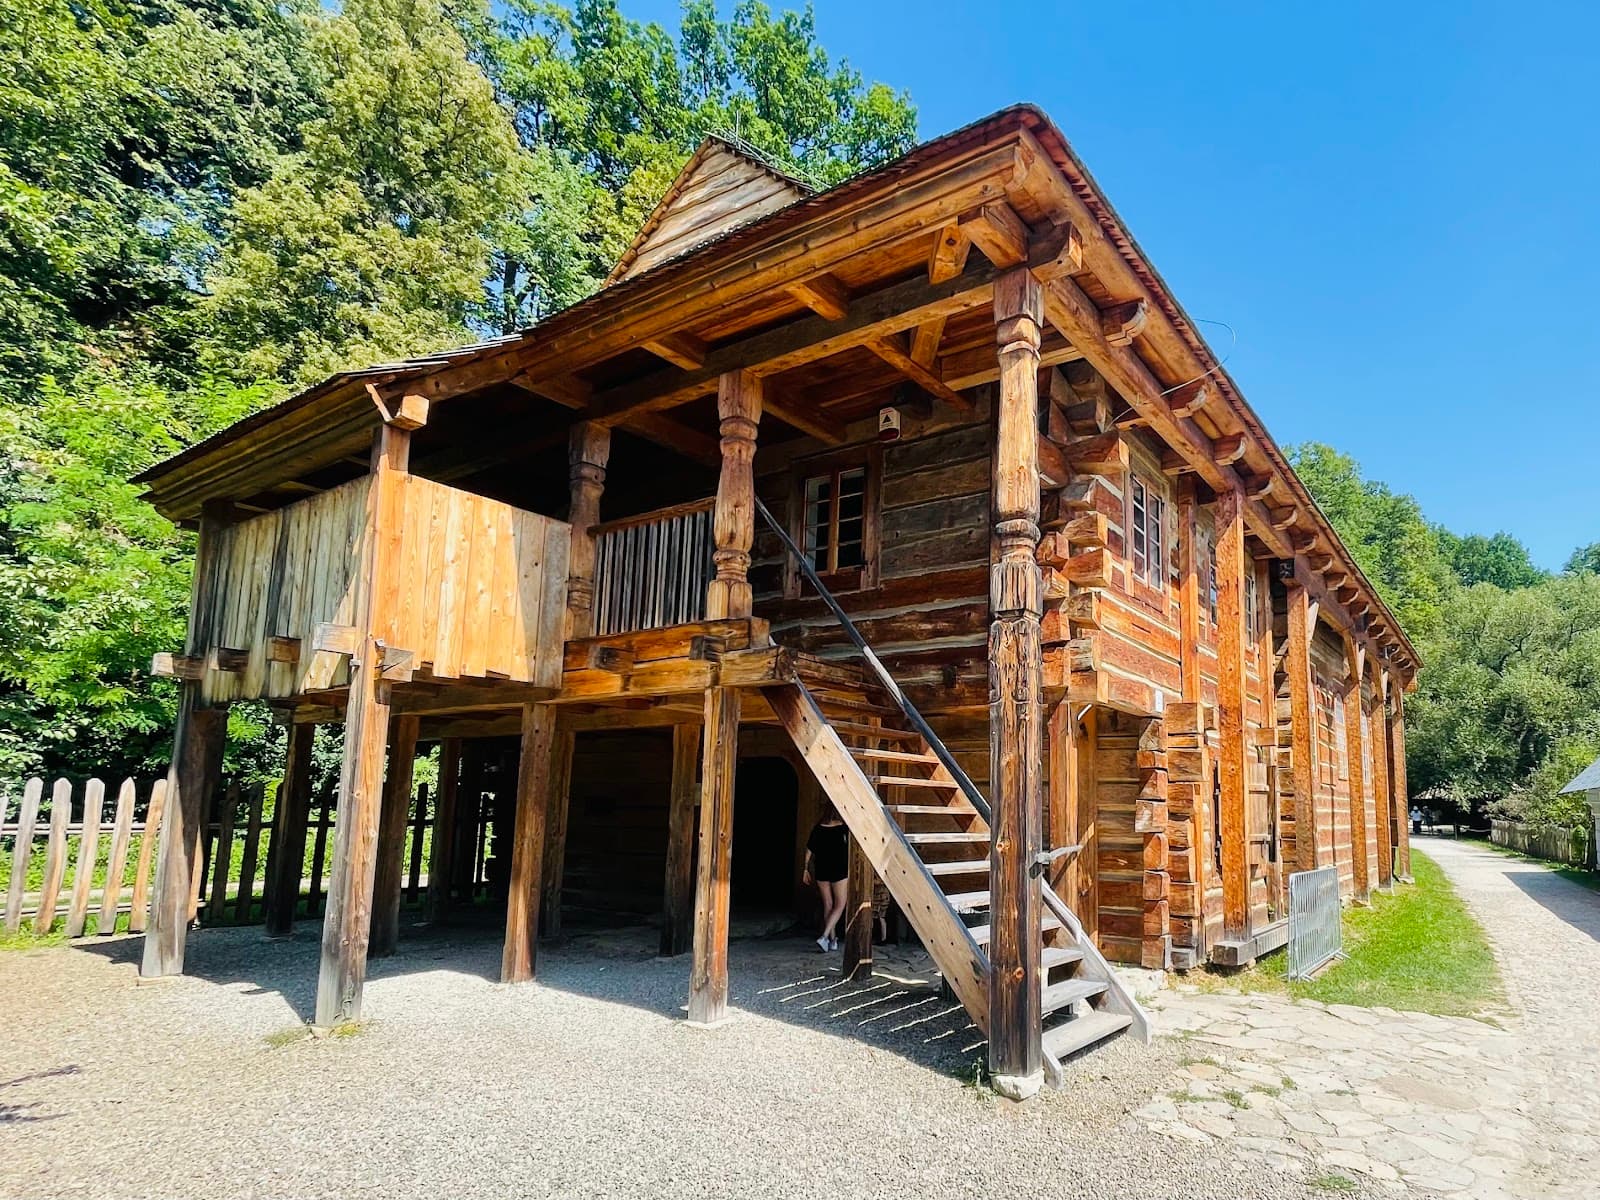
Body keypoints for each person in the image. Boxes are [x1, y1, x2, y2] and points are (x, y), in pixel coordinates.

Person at [803, 803, 849, 952]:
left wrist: (805, 869)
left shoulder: (818, 828)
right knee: (840, 904)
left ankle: (832, 940)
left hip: (821, 869)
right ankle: (824, 936)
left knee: (828, 905)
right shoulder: (844, 828)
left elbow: (809, 850)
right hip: (839, 870)